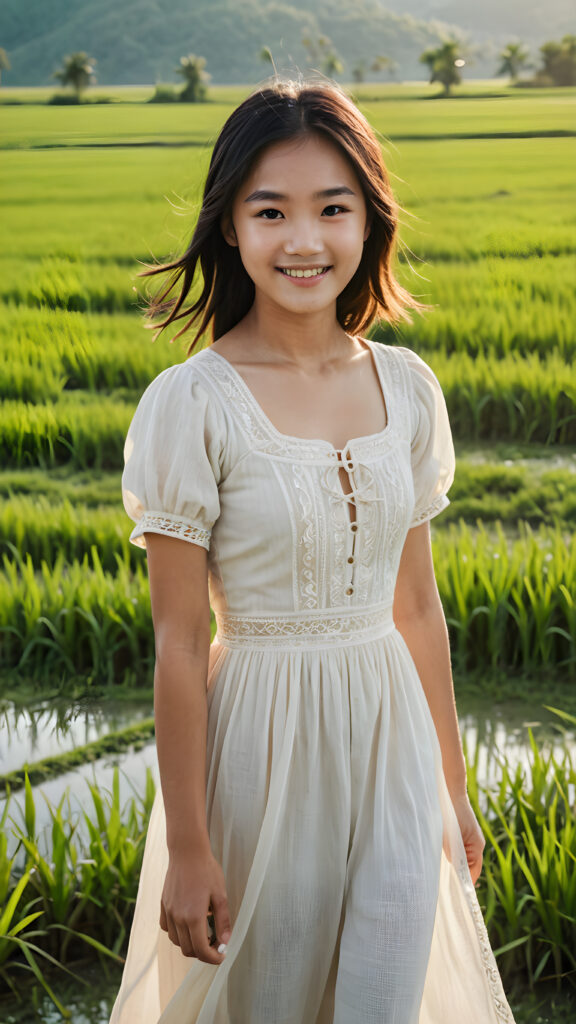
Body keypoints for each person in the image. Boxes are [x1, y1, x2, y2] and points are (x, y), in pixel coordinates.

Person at [110, 79, 516, 1024]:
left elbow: (416, 609)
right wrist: (189, 848)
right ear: (231, 226)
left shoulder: (407, 388)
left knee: (383, 1000)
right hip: (260, 752)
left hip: (394, 749)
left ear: (370, 219)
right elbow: (179, 642)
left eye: (333, 208)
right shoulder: (193, 403)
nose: (304, 240)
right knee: (270, 997)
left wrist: (453, 790)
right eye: (271, 212)